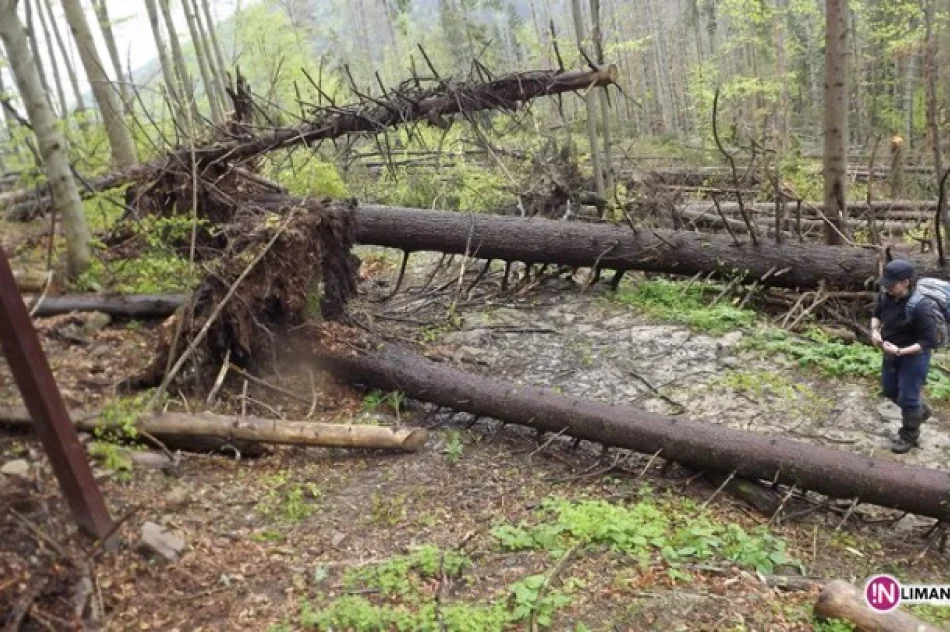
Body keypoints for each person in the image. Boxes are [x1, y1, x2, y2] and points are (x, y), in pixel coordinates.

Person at [870, 259, 941, 453]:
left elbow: (929, 341)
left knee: (908, 398)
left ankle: (908, 436)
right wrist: (875, 331)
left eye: (892, 284)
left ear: (906, 282)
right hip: (890, 353)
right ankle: (920, 411)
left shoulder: (920, 306)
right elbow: (876, 314)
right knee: (890, 390)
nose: (887, 287)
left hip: (914, 357)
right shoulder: (885, 296)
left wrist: (900, 351)